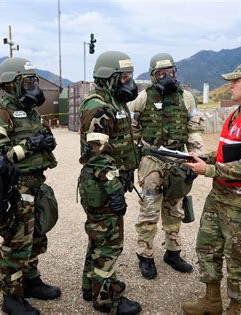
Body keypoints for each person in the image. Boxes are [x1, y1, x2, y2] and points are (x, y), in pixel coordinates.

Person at [182, 61, 241, 314]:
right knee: (207, 248)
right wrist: (205, 158)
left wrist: (208, 170)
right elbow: (228, 152)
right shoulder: (237, 113)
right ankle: (212, 302)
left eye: (236, 81)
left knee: (238, 259)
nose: (231, 85)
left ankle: (234, 309)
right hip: (220, 196)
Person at [0, 57, 61, 314]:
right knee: (17, 242)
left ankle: (30, 280)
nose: (33, 87)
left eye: (34, 81)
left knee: (36, 236)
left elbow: (40, 137)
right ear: (11, 84)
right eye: (28, 82)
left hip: (36, 184)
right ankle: (11, 296)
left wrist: (46, 141)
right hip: (18, 189)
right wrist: (30, 146)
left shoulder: (30, 111)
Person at [128, 53, 204, 279]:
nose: (166, 77)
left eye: (169, 73)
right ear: (153, 76)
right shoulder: (142, 98)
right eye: (161, 74)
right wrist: (138, 152)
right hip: (151, 158)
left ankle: (173, 252)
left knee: (175, 209)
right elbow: (130, 126)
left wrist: (195, 156)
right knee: (149, 208)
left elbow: (194, 128)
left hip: (178, 159)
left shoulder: (187, 98)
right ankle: (145, 254)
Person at [78, 50, 142, 314]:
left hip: (108, 183)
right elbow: (97, 155)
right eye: (124, 77)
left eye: (130, 76)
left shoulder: (114, 101)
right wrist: (114, 189)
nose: (129, 82)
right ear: (109, 78)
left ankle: (90, 284)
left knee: (99, 237)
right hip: (102, 185)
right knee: (109, 242)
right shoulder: (98, 106)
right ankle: (106, 300)